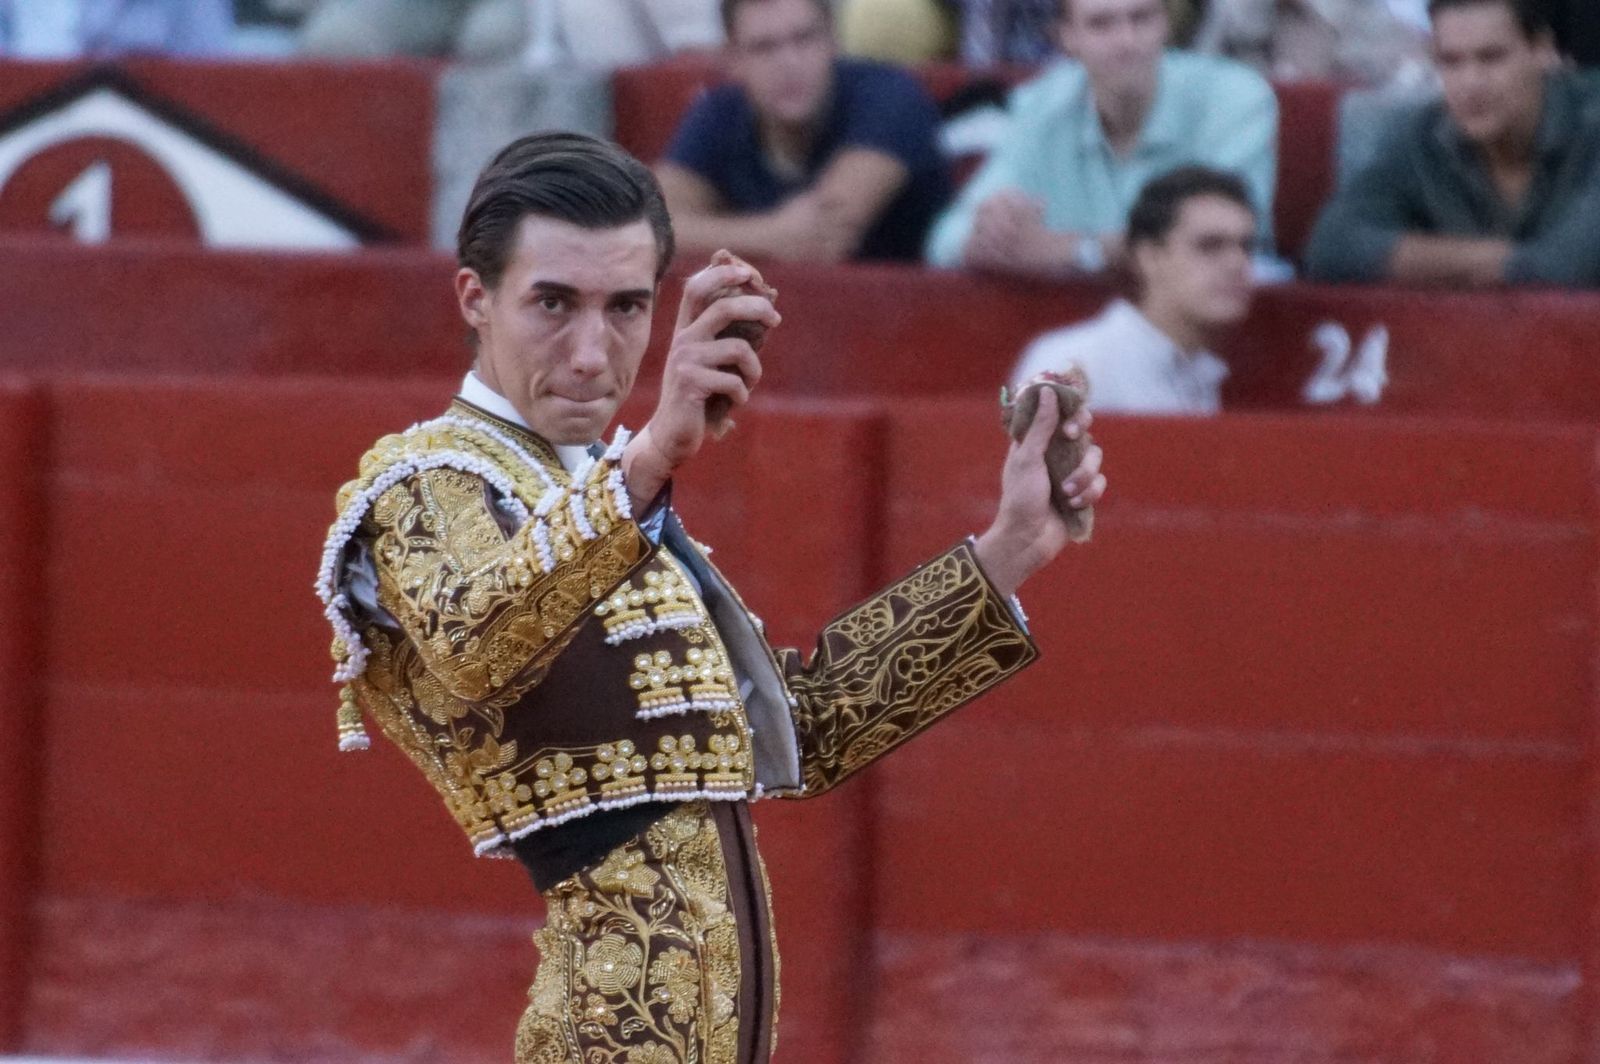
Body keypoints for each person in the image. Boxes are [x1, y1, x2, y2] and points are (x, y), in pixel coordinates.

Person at [313, 131, 1106, 1064]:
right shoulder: (421, 482)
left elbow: (798, 732)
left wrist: (1011, 547)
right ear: (474, 299)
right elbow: (473, 640)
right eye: (553, 304)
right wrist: (646, 461)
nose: (590, 351)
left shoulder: (610, 500)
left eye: (626, 308)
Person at [924, 0, 1277, 277]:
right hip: (1074, 336)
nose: (1126, 41)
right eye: (1101, 24)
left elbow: (1221, 236)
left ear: (1165, 25)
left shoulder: (1236, 98)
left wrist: (1072, 252)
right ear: (1066, 38)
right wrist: (987, 241)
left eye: (1140, 18)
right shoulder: (1040, 105)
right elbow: (945, 242)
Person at [1305, 0, 1600, 287]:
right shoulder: (1422, 136)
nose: (1471, 83)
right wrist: (1499, 259)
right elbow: (1331, 246)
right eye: (1451, 62)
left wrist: (1426, 261)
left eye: (1491, 57)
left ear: (1543, 50)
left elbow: (1568, 266)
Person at [655, 0, 953, 263]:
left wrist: (709, 234)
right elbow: (648, 228)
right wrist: (772, 234)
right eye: (764, 47)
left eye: (804, 39)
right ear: (733, 60)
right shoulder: (720, 111)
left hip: (915, 316)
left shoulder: (888, 97)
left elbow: (824, 238)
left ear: (832, 39)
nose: (789, 63)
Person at [1010, 166, 1256, 414]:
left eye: (1246, 247)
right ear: (1149, 257)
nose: (1238, 264)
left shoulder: (1201, 371)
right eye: (1209, 246)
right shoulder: (1073, 362)